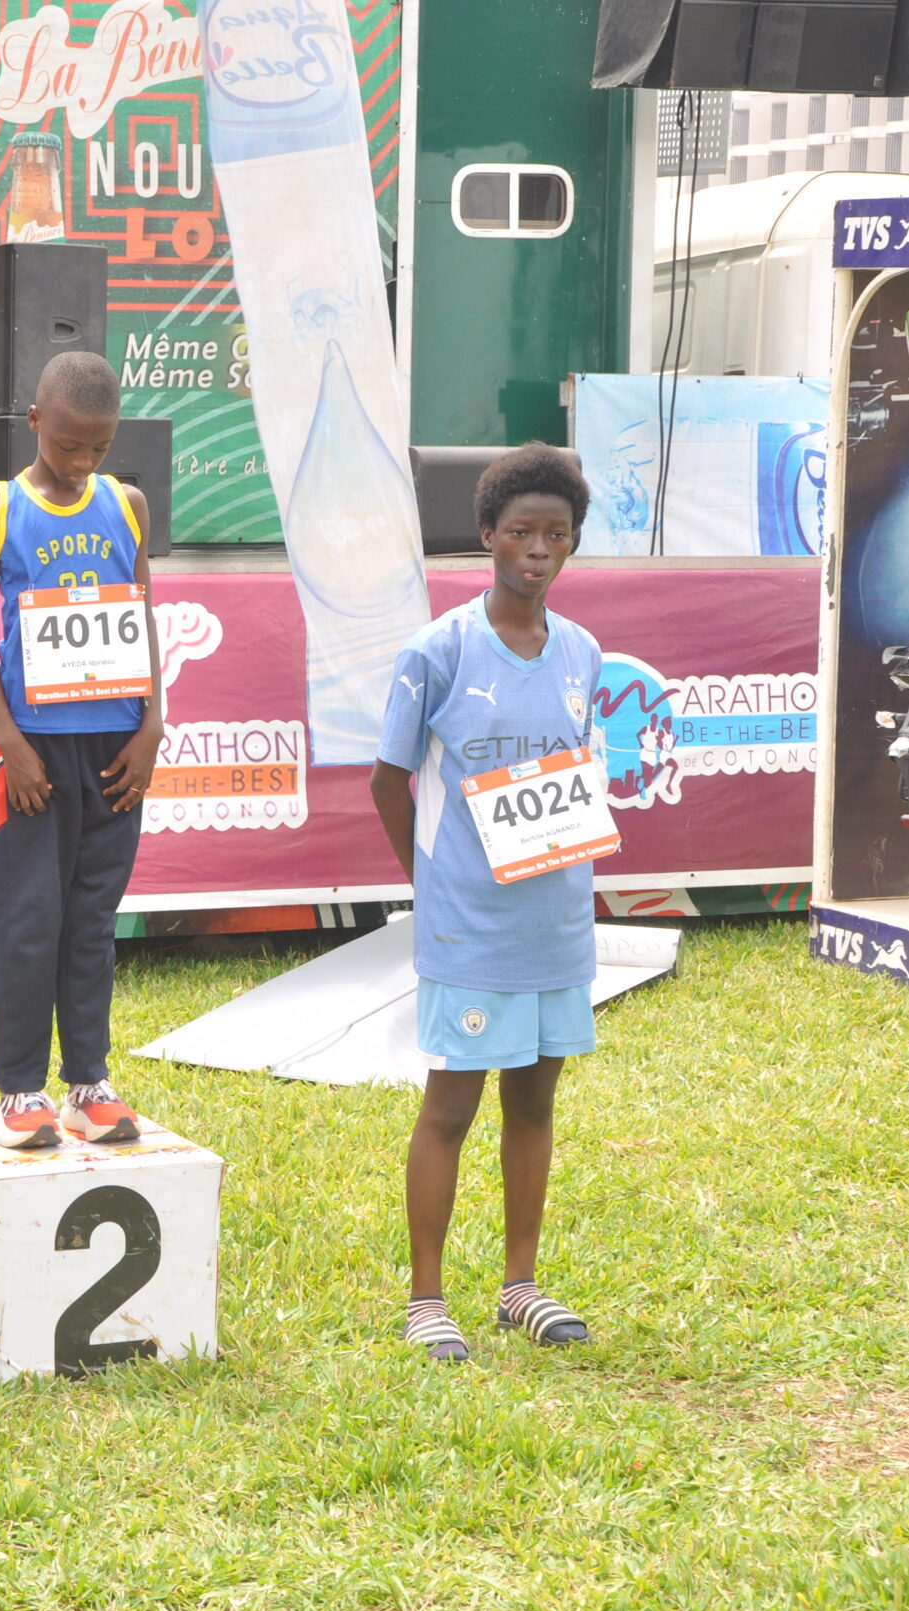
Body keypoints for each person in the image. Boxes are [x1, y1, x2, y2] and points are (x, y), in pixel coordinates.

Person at [368, 443, 602, 1365]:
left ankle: (520, 1287)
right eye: (521, 533)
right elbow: (387, 782)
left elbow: (578, 775)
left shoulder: (582, 652)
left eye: (557, 535)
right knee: (450, 1110)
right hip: (469, 926)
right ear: (487, 535)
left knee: (534, 1105)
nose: (538, 551)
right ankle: (427, 1299)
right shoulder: (439, 651)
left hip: (555, 925)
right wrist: (429, 886)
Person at [0, 351, 161, 1149]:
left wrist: (152, 724)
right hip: (32, 752)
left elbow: (141, 615)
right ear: (35, 421)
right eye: (68, 444)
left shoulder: (128, 505)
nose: (81, 462)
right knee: (26, 921)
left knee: (91, 920)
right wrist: (10, 739)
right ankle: (20, 1090)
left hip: (115, 748)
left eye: (98, 448)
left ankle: (88, 1083)